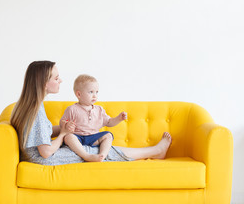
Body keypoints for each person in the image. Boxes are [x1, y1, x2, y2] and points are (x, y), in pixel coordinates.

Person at [10, 60, 172, 165]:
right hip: (44, 159)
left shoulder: (28, 105)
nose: (61, 80)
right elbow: (45, 152)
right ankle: (157, 151)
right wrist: (62, 136)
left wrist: (65, 129)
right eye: (56, 78)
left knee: (98, 145)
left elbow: (39, 132)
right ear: (44, 83)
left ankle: (155, 151)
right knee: (99, 152)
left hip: (35, 156)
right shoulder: (36, 110)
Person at [60, 74, 127, 162]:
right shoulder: (72, 109)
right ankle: (86, 156)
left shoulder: (99, 109)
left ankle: (102, 155)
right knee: (68, 137)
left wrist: (119, 118)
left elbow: (109, 122)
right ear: (79, 94)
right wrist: (67, 125)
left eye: (96, 92)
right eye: (91, 92)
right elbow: (62, 123)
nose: (95, 95)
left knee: (108, 135)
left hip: (93, 138)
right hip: (78, 137)